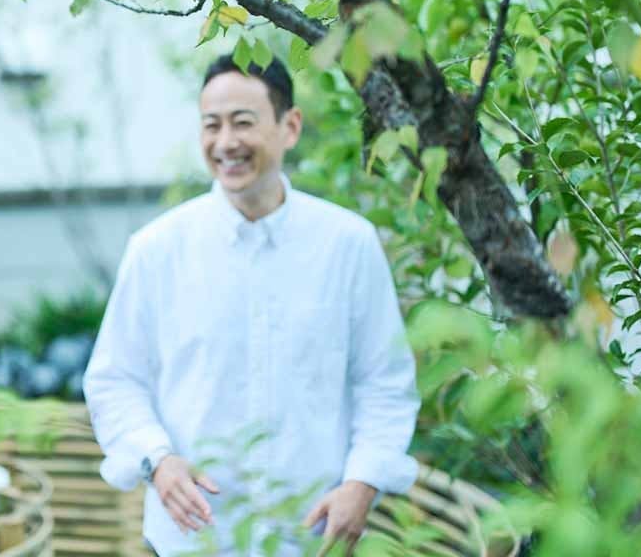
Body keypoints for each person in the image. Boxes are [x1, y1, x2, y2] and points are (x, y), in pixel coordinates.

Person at [83, 53, 420, 556]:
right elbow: (115, 380)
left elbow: (384, 381)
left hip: (312, 538)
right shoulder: (156, 250)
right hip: (192, 539)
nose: (226, 142)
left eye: (243, 122)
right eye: (211, 125)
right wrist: (157, 459)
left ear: (290, 127)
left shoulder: (347, 244)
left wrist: (362, 483)